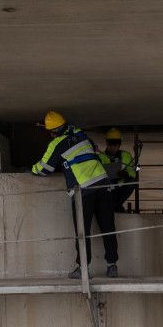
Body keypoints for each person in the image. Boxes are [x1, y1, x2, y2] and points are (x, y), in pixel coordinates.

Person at [30, 110, 119, 278]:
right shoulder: (79, 133)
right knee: (108, 227)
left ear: (53, 131)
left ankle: (83, 269)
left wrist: (32, 169)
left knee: (82, 231)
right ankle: (112, 265)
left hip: (83, 190)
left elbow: (44, 168)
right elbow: (92, 148)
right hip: (103, 184)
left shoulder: (57, 143)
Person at [98, 128, 137, 212]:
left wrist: (126, 174)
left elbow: (133, 171)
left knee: (131, 183)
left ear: (119, 144)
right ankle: (115, 206)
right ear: (107, 143)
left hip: (121, 186)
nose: (112, 147)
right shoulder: (100, 157)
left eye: (115, 144)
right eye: (110, 144)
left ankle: (116, 205)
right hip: (107, 186)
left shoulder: (126, 156)